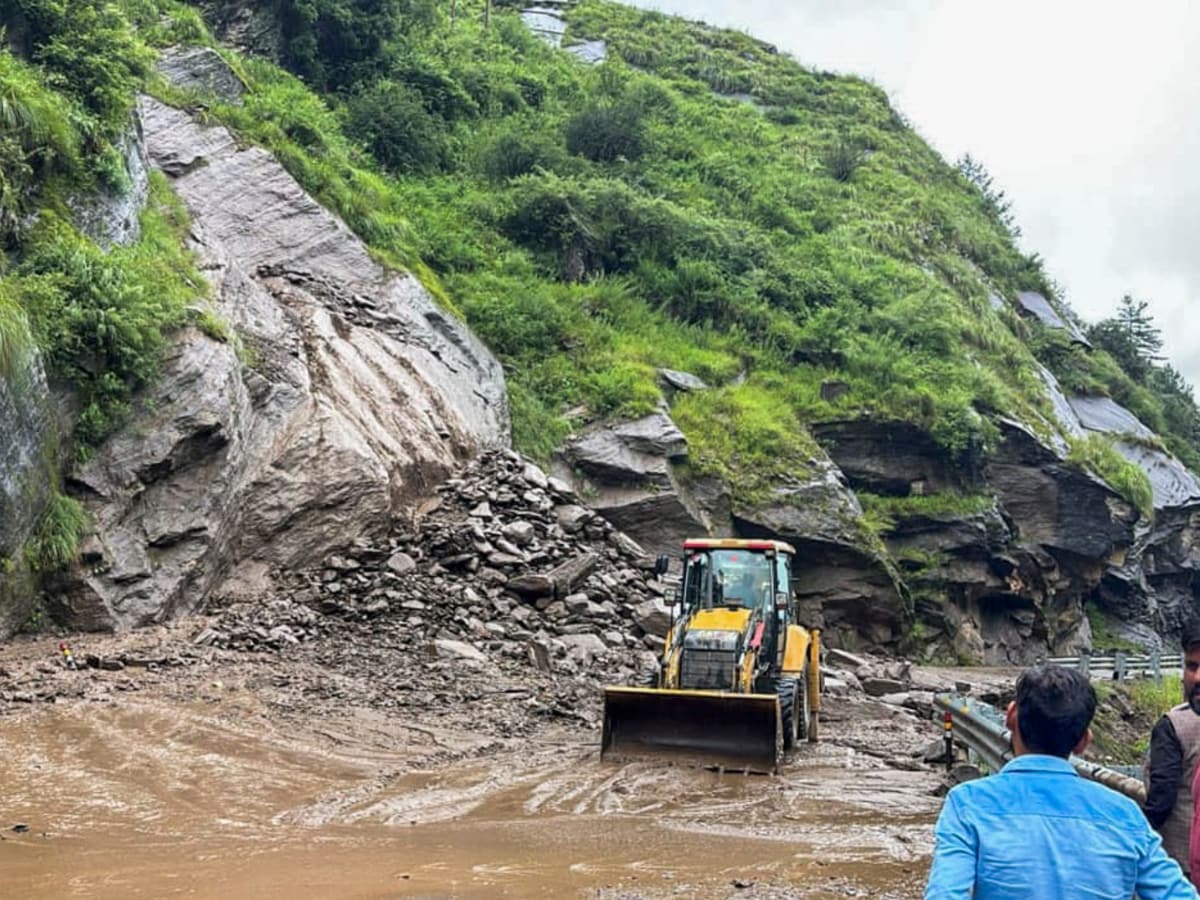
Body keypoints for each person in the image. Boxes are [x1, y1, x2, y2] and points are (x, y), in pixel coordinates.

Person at [925, 665, 1195, 899]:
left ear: (1010, 717)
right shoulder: (1125, 816)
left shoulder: (967, 805)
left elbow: (945, 893)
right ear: (1083, 742)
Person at [1145, 622, 1200, 877]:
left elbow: (1160, 801)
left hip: (1181, 870)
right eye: (1192, 666)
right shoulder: (1176, 725)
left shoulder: (1173, 726)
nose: (1198, 677)